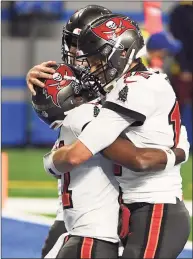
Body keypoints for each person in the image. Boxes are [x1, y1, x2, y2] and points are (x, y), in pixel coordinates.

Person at [48, 14, 190, 258]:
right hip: (136, 209)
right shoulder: (132, 84)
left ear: (121, 52)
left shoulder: (135, 87)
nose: (92, 68)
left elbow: (136, 160)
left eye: (96, 60)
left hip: (155, 207)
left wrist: (81, 126)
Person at [27, 5, 113, 258]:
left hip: (120, 209)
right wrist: (42, 87)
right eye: (72, 43)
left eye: (83, 42)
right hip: (77, 207)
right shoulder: (77, 79)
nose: (75, 51)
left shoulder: (134, 84)